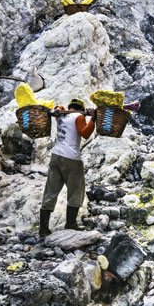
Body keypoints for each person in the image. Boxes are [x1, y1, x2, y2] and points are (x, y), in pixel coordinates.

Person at [39, 98, 96, 237]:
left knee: (50, 191)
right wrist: (93, 119)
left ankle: (43, 229)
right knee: (76, 190)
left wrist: (59, 107)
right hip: (71, 159)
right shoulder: (79, 116)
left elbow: (58, 108)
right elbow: (85, 133)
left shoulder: (60, 115)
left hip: (56, 156)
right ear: (80, 108)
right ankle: (71, 223)